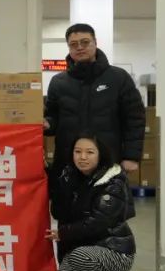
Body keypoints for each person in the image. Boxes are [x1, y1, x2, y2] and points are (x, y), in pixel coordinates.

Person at [46, 132, 136, 271]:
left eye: (90, 152)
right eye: (77, 151)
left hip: (115, 251)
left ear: (101, 154)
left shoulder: (113, 182)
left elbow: (98, 223)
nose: (83, 157)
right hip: (86, 249)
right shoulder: (69, 176)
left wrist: (64, 233)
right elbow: (58, 212)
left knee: (82, 257)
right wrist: (61, 187)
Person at [43, 23, 146, 175]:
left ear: (95, 43)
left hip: (108, 160)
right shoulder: (58, 82)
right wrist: (47, 124)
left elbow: (134, 118)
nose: (79, 47)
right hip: (68, 162)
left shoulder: (118, 78)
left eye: (85, 42)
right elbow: (53, 118)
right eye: (73, 44)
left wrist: (132, 156)